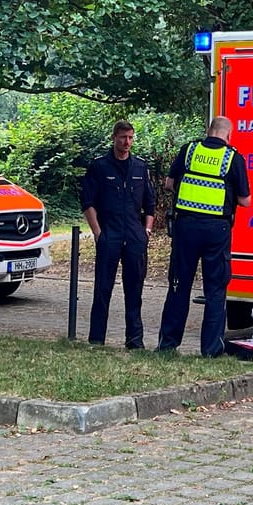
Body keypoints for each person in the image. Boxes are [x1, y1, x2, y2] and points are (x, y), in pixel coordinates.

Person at [157, 115, 250, 356]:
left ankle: (167, 345)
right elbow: (245, 200)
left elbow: (168, 183)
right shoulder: (233, 158)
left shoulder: (189, 150)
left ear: (209, 131)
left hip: (185, 227)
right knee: (216, 290)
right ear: (228, 135)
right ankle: (210, 350)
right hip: (216, 231)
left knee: (178, 286)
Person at [80, 120, 158, 349]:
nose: (127, 142)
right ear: (114, 138)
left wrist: (147, 230)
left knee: (134, 289)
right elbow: (87, 201)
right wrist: (97, 233)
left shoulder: (140, 167)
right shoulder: (100, 166)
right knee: (103, 288)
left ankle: (135, 341)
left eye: (131, 138)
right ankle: (97, 339)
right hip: (110, 234)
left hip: (134, 235)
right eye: (123, 137)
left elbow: (150, 203)